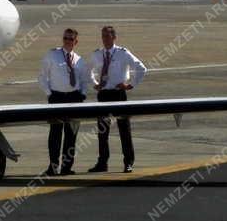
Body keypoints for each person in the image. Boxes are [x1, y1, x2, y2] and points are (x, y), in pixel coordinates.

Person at [88, 25, 146, 173]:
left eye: (107, 36)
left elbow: (141, 68)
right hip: (104, 94)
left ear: (114, 37)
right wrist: (95, 84)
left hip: (119, 94)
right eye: (103, 36)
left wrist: (130, 85)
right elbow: (88, 71)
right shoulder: (97, 54)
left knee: (124, 130)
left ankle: (128, 162)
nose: (105, 39)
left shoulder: (122, 53)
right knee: (102, 131)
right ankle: (102, 163)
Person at [38, 28, 88, 175]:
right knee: (55, 133)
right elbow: (42, 77)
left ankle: (67, 167)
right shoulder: (52, 55)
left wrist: (82, 94)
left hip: (74, 98)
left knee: (71, 134)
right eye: (65, 38)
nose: (67, 41)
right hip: (57, 97)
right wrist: (49, 94)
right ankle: (53, 166)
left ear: (76, 42)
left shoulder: (79, 60)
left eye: (70, 39)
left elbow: (84, 80)